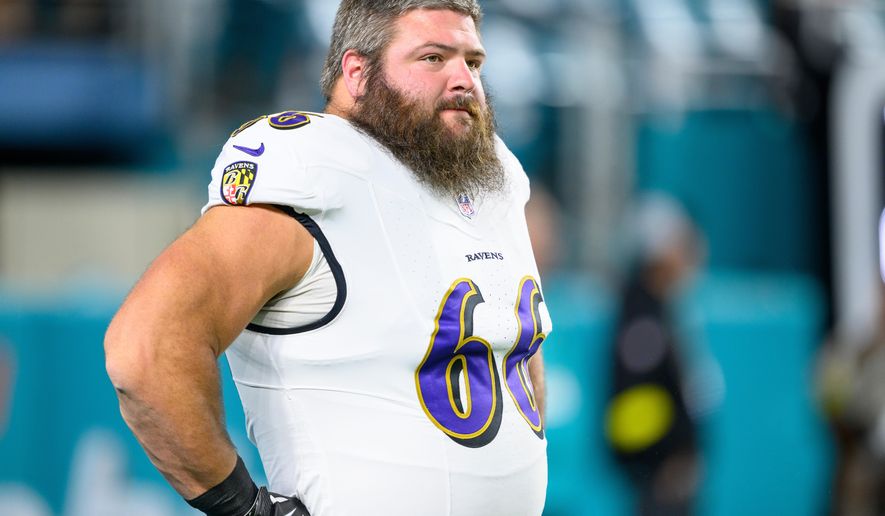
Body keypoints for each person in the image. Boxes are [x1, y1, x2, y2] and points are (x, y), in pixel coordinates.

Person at [104, 1, 553, 515]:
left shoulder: (486, 174)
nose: (463, 80)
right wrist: (244, 508)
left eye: (472, 62)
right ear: (357, 73)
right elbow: (145, 349)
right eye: (433, 58)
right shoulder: (313, 170)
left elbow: (516, 353)